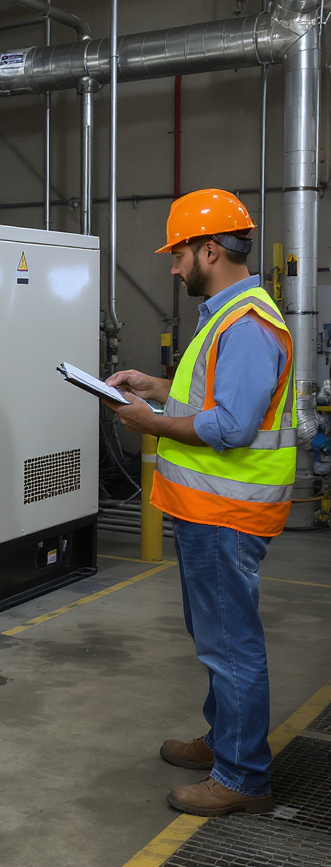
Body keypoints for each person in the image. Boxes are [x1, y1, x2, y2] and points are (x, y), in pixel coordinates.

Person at [103, 188, 296, 817]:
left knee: (230, 644)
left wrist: (148, 423)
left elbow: (232, 426)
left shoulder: (244, 324)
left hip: (225, 515)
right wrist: (154, 386)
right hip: (206, 512)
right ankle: (225, 743)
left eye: (179, 252)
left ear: (210, 249)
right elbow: (212, 398)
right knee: (216, 637)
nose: (172, 265)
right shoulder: (229, 316)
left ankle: (241, 776)